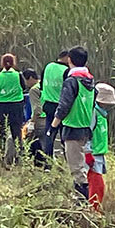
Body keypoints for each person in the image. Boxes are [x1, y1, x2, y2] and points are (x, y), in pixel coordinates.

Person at [47, 46, 96, 199]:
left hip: (72, 128)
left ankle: (82, 206)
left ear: (69, 60)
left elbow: (64, 106)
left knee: (77, 169)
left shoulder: (72, 81)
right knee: (80, 165)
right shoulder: (90, 81)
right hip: (85, 129)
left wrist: (53, 126)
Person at [0, 54, 26, 164]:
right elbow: (24, 87)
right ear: (14, 63)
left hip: (1, 107)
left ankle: (2, 154)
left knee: (2, 131)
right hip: (16, 106)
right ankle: (18, 156)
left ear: (2, 63)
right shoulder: (19, 75)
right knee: (17, 132)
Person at [85, 83, 115, 211]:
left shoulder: (102, 115)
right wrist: (88, 153)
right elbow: (86, 134)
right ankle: (93, 211)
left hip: (99, 155)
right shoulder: (93, 114)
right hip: (92, 155)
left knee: (97, 186)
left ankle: (94, 209)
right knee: (96, 185)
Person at [40, 50, 70, 157]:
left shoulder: (48, 66)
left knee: (49, 133)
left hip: (48, 105)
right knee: (64, 134)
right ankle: (66, 159)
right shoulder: (66, 70)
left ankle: (48, 160)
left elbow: (41, 85)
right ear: (67, 57)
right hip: (61, 106)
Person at [22, 68, 47, 166]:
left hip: (40, 121)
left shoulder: (33, 90)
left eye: (26, 81)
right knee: (48, 146)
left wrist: (31, 124)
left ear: (31, 78)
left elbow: (37, 110)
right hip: (50, 119)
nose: (26, 84)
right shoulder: (44, 85)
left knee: (30, 142)